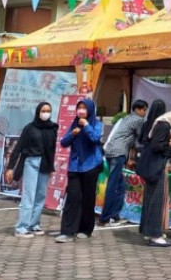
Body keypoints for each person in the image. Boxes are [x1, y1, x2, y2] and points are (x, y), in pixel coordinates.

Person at [6, 102, 58, 237]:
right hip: (31, 162)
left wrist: (52, 166)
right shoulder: (30, 128)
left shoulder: (53, 128)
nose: (46, 113)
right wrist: (10, 167)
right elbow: (19, 147)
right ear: (38, 112)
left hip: (46, 164)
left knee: (41, 195)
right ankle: (22, 227)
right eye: (43, 110)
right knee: (29, 195)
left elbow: (52, 149)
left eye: (48, 110)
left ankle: (34, 224)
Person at [139, 108, 171, 247]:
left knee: (152, 199)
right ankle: (155, 236)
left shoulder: (161, 123)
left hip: (152, 166)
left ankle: (149, 232)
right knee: (156, 200)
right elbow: (156, 146)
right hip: (156, 167)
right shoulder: (164, 125)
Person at [55, 99, 103, 243]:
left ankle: (85, 229)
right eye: (79, 108)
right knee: (73, 197)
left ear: (90, 110)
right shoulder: (74, 124)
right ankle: (67, 231)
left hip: (91, 165)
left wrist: (86, 125)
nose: (81, 111)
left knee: (88, 198)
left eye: (84, 108)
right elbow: (63, 142)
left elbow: (95, 138)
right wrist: (73, 134)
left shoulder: (97, 124)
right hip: (74, 166)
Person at [99, 100, 148, 226]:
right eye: (144, 110)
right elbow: (141, 138)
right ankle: (104, 218)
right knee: (113, 186)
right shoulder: (138, 120)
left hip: (110, 151)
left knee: (121, 187)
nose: (145, 112)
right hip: (119, 153)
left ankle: (115, 216)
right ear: (137, 109)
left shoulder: (126, 118)